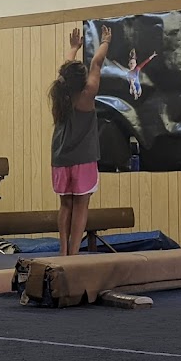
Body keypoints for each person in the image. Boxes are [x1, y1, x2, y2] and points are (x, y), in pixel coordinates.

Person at [49, 24, 111, 256]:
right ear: (82, 81)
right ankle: (74, 253)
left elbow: (67, 70)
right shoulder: (88, 94)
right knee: (81, 205)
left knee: (65, 205)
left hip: (60, 157)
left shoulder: (61, 93)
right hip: (83, 158)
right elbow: (97, 63)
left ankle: (63, 251)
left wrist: (74, 48)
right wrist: (105, 42)